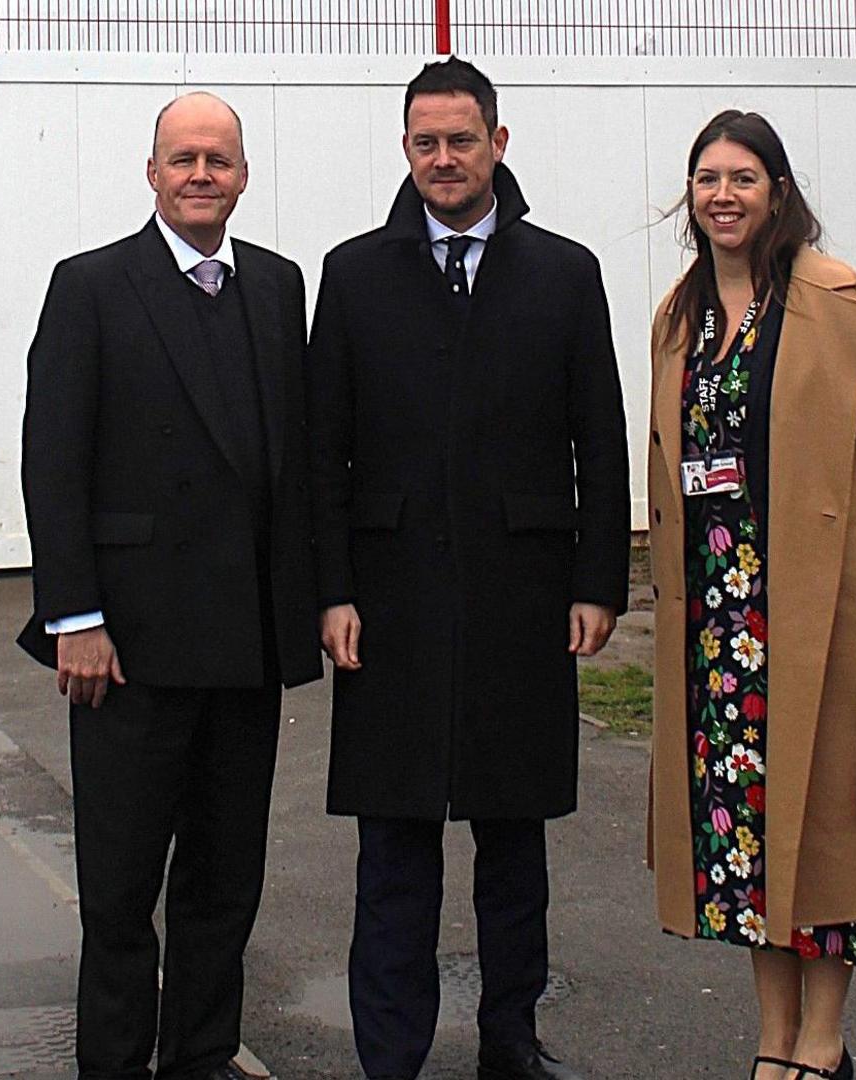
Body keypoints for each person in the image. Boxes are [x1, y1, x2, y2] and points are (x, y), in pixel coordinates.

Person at [306, 57, 630, 1080]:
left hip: (522, 597)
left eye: (462, 139)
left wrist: (597, 581)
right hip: (389, 602)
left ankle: (512, 1039)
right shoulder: (354, 274)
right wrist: (332, 588)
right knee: (393, 845)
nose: (444, 159)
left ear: (499, 141)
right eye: (425, 142)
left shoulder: (564, 273)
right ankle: (389, 1053)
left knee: (514, 841)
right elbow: (325, 450)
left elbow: (602, 440)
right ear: (406, 150)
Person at [16, 92, 321, 1080]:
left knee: (224, 887)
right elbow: (52, 465)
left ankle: (200, 1057)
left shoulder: (278, 289)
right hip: (127, 651)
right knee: (119, 893)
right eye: (182, 158)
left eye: (218, 160)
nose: (201, 175)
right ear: (151, 173)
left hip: (244, 650)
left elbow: (296, 462)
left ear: (242, 176)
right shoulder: (92, 287)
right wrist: (75, 617)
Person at [644, 110, 856, 1080]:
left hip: (821, 608)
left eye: (742, 177)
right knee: (748, 828)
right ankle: (774, 1042)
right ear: (689, 197)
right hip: (720, 621)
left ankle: (823, 1045)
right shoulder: (680, 315)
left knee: (823, 830)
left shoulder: (837, 301)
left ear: (779, 190)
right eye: (706, 178)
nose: (723, 195)